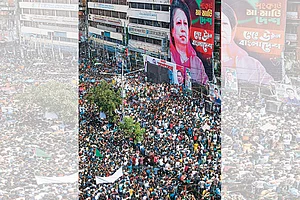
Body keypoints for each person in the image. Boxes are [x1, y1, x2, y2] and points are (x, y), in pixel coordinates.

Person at [221, 3, 274, 85]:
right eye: (216, 24)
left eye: (224, 24)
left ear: (232, 29)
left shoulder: (251, 64)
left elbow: (270, 87)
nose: (221, 29)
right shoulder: (198, 61)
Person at [170, 0, 208, 85]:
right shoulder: (170, 56)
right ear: (172, 30)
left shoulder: (197, 62)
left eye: (185, 23)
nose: (183, 29)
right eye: (179, 23)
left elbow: (206, 84)